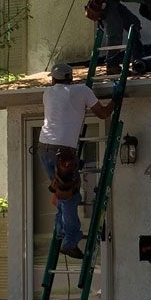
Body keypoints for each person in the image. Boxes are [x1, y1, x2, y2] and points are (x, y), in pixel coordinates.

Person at [38, 62, 114, 259]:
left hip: (44, 146)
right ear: (71, 78)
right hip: (63, 152)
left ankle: (62, 230)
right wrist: (117, 97)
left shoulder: (47, 93)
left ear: (53, 79)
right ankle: (70, 239)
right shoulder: (82, 90)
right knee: (70, 195)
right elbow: (103, 113)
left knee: (60, 190)